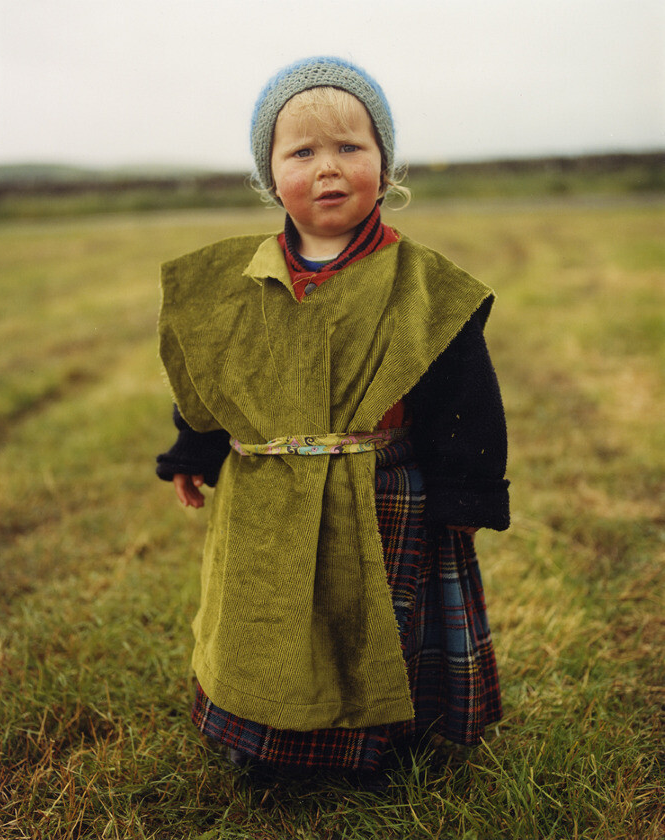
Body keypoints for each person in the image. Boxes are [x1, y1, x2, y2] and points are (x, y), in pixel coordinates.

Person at [156, 56, 509, 785]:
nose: (329, 168)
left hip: (386, 490)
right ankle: (266, 747)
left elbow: (466, 399)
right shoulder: (235, 285)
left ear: (385, 164)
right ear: (269, 174)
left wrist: (469, 493)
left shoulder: (423, 287)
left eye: (352, 147)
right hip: (267, 495)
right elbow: (213, 377)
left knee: (370, 625)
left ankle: (375, 750)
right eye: (303, 152)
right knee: (272, 623)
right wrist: (194, 446)